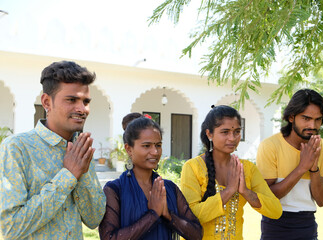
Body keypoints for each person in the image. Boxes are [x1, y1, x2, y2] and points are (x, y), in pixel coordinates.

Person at [0, 61, 106, 239]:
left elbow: (94, 219)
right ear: (46, 102)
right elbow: (10, 228)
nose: (82, 109)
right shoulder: (17, 148)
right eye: (72, 100)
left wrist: (81, 173)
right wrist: (68, 176)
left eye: (86, 101)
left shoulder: (81, 151)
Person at [180, 105, 282, 240]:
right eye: (225, 132)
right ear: (209, 134)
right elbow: (190, 216)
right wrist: (228, 191)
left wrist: (245, 191)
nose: (232, 138)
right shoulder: (193, 167)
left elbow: (276, 210)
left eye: (237, 131)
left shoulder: (247, 169)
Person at [99, 117, 203, 240]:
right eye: (146, 146)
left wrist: (168, 215)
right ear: (129, 149)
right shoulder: (115, 190)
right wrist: (153, 215)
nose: (154, 152)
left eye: (158, 145)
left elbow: (197, 234)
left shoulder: (169, 188)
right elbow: (108, 237)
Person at [256, 89, 323, 240]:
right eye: (306, 118)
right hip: (275, 225)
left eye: (318, 119)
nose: (313, 125)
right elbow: (268, 196)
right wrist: (302, 167)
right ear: (291, 117)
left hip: (307, 224)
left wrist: (313, 169)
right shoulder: (270, 146)